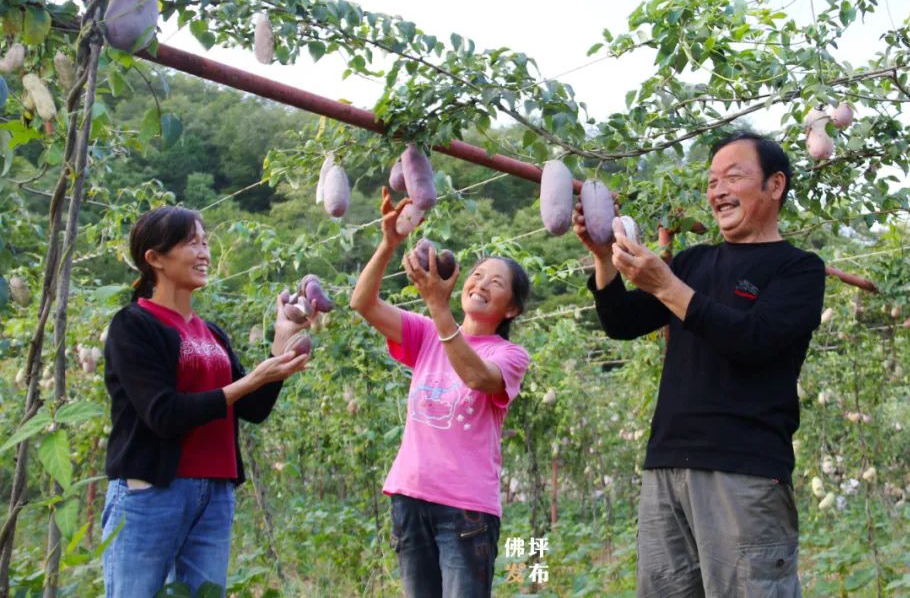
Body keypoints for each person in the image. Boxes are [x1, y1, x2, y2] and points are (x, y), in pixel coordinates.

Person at [575, 132, 825, 596]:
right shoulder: (694, 262)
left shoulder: (799, 269)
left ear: (775, 186)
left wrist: (666, 285)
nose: (717, 190)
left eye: (733, 176)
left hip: (744, 470)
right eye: (711, 181)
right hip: (667, 464)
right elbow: (622, 323)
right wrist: (601, 259)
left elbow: (755, 340)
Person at [101, 206, 310, 597]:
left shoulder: (209, 332)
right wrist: (251, 379)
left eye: (205, 242)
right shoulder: (134, 325)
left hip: (214, 494)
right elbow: (163, 414)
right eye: (190, 243)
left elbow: (252, 407)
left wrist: (281, 342)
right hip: (151, 492)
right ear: (155, 259)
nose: (204, 253)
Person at [350, 189, 531, 598]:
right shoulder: (425, 332)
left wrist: (438, 307)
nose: (481, 283)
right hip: (409, 497)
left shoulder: (511, 355)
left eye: (496, 283)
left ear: (511, 309)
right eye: (478, 274)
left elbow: (477, 378)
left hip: (466, 510)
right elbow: (362, 302)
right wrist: (389, 243)